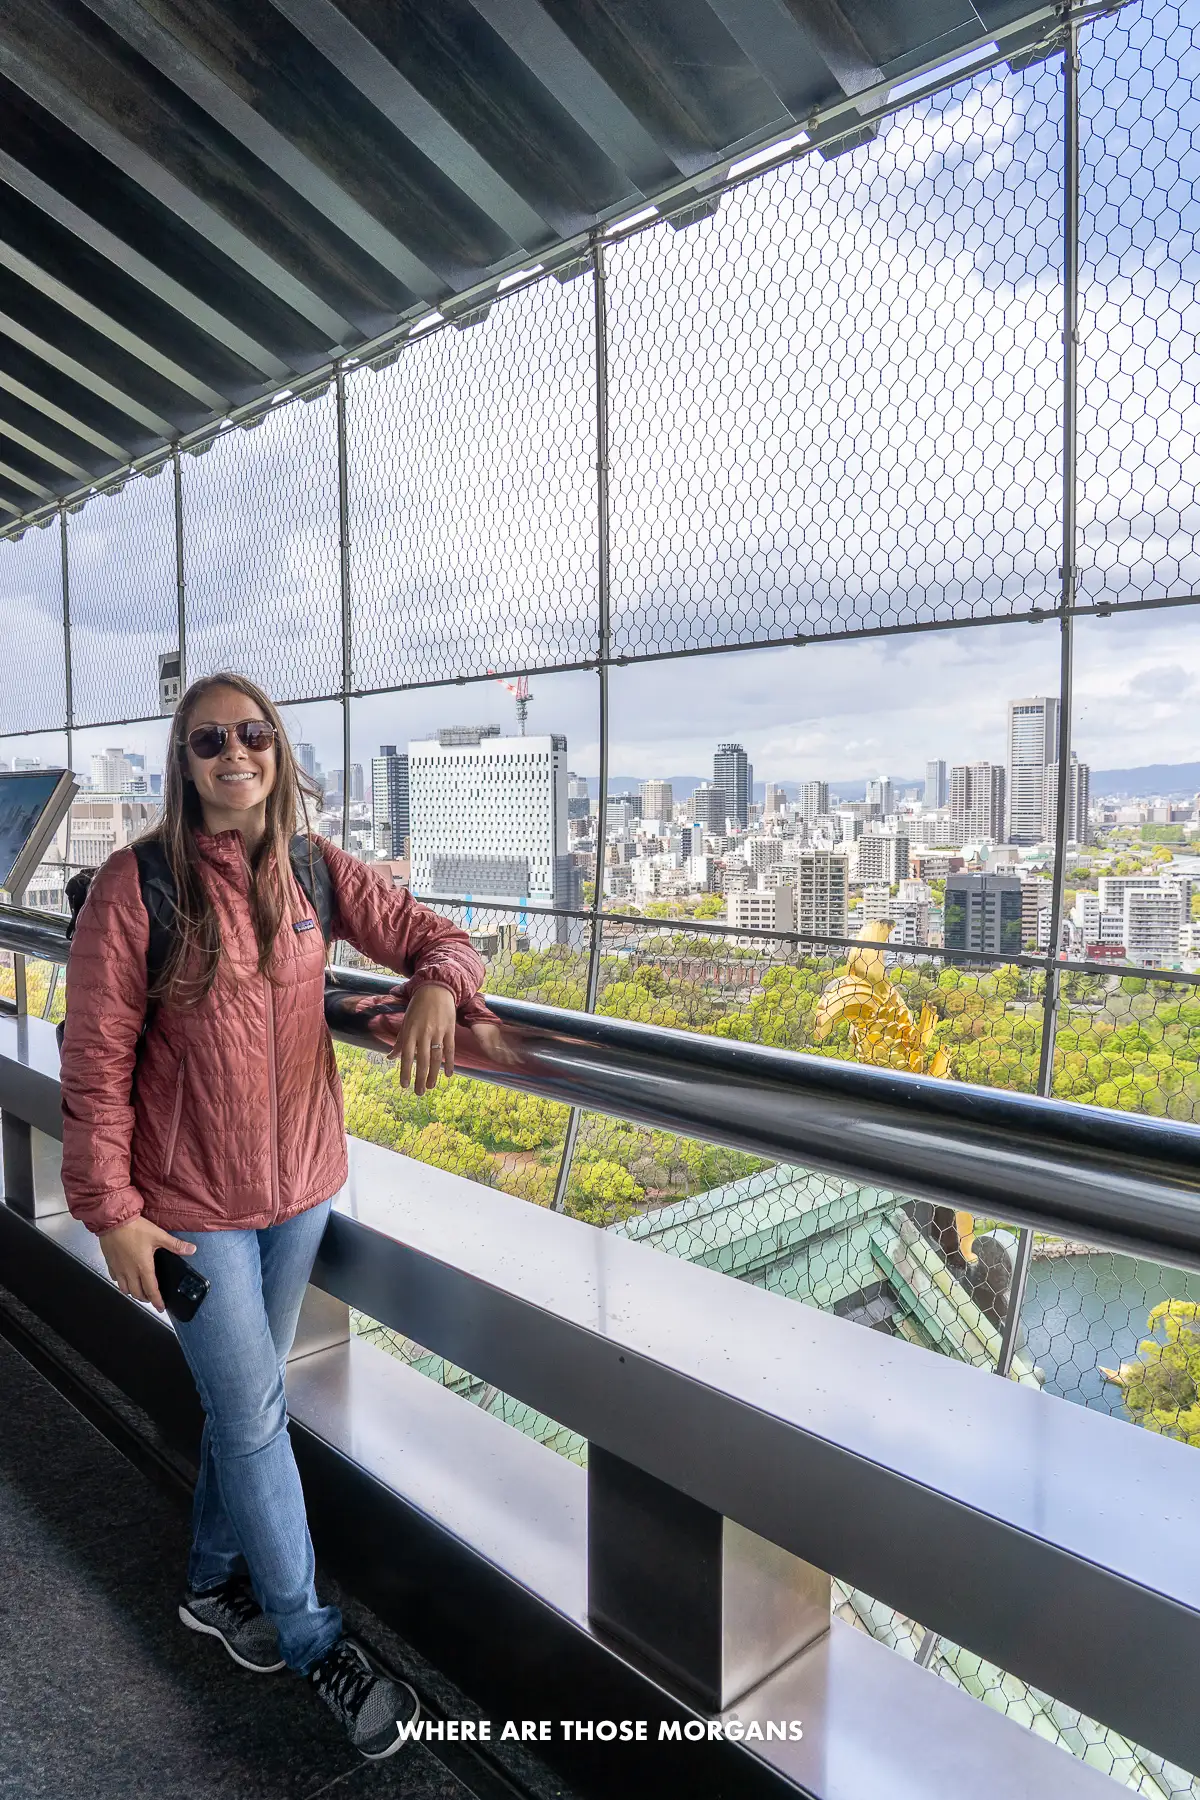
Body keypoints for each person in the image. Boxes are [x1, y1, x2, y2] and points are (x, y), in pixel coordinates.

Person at [60, 671, 501, 1761]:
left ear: (279, 751)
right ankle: (312, 1641)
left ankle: (214, 1585)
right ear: (185, 760)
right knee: (255, 1413)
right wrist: (110, 1211)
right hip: (191, 1209)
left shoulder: (309, 868)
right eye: (210, 740)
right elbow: (95, 1057)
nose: (235, 755)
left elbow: (436, 933)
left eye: (253, 734)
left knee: (240, 1401)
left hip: (299, 1193)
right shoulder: (139, 886)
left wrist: (441, 982)